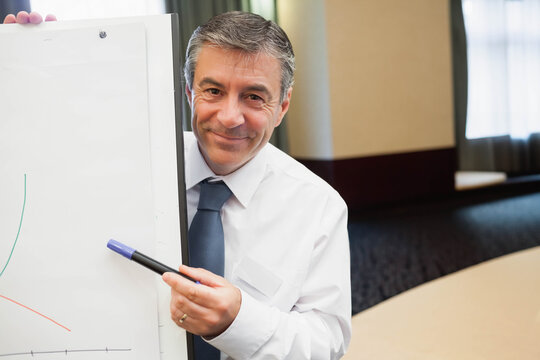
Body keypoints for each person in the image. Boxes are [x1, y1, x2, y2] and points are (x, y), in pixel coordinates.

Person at [3, 10, 351, 359]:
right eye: (213, 90)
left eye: (254, 97)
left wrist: (237, 322)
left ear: (282, 105)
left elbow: (327, 341)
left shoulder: (319, 206)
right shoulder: (125, 163)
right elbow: (39, 166)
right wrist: (24, 64)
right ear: (188, 92)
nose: (230, 117)